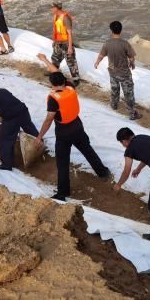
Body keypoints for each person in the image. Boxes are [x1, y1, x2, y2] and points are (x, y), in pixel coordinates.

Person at [34, 54, 111, 201]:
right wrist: (44, 60)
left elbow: (49, 119)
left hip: (63, 132)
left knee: (62, 162)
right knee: (87, 150)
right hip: (77, 125)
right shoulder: (70, 86)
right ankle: (103, 172)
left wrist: (39, 136)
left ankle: (63, 193)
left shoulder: (53, 99)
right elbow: (57, 73)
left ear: (52, 83)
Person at [0, 82, 39, 171]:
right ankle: (40, 144)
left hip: (10, 117)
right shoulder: (3, 90)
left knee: (5, 140)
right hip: (23, 110)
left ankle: (6, 165)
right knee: (30, 129)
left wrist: (4, 122)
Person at [94, 20, 141, 120]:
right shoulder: (125, 44)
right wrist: (132, 63)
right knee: (128, 93)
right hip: (124, 73)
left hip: (112, 72)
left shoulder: (107, 43)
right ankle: (132, 113)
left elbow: (101, 55)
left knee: (114, 89)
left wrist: (97, 62)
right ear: (121, 30)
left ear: (111, 31)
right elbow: (131, 57)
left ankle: (114, 105)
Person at [49, 1, 80, 85]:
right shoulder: (56, 16)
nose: (50, 9)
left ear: (56, 8)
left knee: (71, 61)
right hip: (58, 42)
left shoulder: (65, 18)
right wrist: (54, 41)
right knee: (55, 58)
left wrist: (70, 47)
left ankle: (76, 79)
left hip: (66, 43)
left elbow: (70, 33)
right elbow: (55, 29)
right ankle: (54, 73)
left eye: (52, 7)